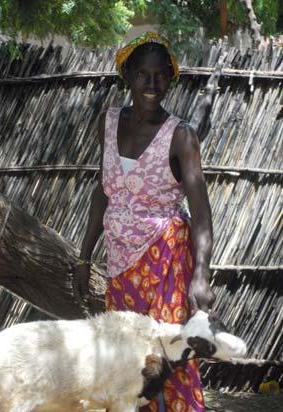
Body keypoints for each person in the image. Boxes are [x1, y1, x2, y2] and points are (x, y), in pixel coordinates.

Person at [76, 32, 215, 412]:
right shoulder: (107, 124)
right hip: (120, 264)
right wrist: (84, 256)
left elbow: (202, 213)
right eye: (143, 75)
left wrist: (201, 275)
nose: (152, 85)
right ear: (128, 76)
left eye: (160, 76)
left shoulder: (181, 137)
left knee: (169, 356)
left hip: (166, 260)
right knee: (126, 359)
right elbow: (103, 191)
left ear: (170, 78)